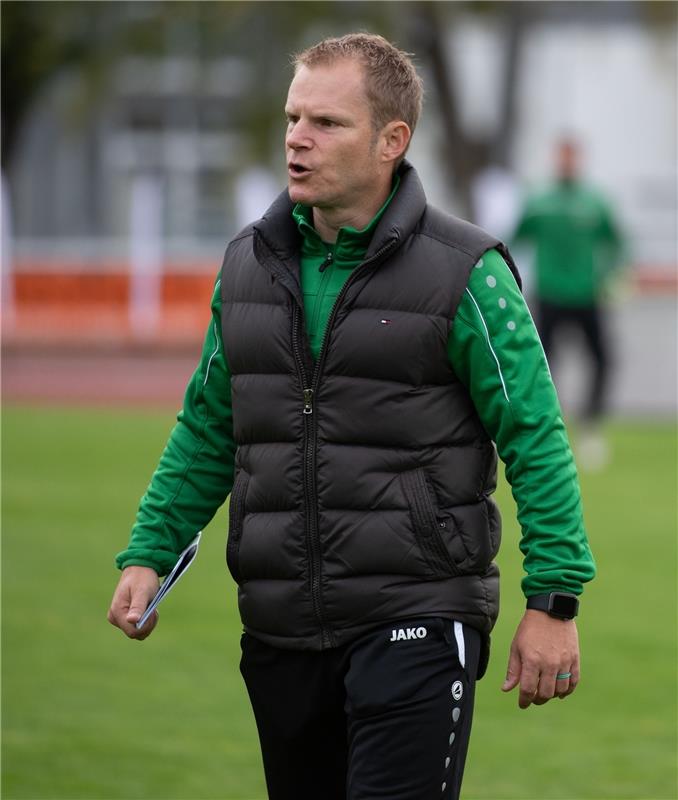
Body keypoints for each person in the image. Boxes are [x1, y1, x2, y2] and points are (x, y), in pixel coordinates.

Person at [107, 34, 595, 800]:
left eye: (326, 123)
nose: (298, 138)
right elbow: (208, 424)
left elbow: (534, 435)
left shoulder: (466, 271)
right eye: (294, 118)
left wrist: (554, 600)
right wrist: (148, 552)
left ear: (390, 141)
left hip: (419, 617)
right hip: (279, 628)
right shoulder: (246, 265)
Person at [512, 137, 625, 468]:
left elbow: (618, 243)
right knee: (542, 364)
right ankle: (547, 427)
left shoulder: (595, 202)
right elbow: (513, 238)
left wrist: (611, 275)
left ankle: (591, 425)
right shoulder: (539, 202)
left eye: (572, 156)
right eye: (562, 156)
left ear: (580, 160)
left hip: (587, 294)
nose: (567, 162)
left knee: (602, 359)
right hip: (549, 294)